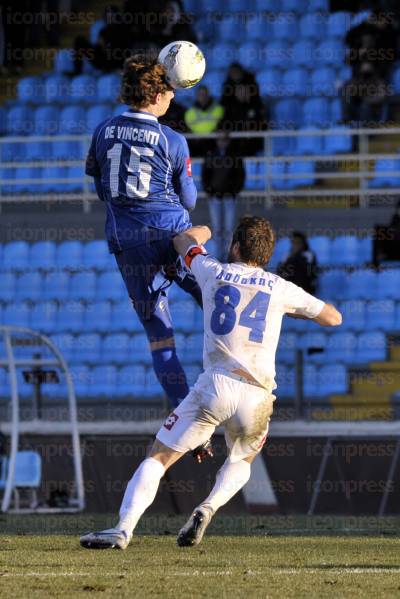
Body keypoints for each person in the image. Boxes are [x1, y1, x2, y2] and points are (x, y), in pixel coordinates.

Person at [80, 216, 342, 550]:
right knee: (241, 459)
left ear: (235, 246)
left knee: (158, 457)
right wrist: (292, 309)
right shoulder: (280, 288)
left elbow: (183, 241)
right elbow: (334, 318)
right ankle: (207, 507)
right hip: (258, 395)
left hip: (214, 386)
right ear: (267, 255)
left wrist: (204, 231)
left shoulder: (212, 271)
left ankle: (123, 528)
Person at [85, 55, 204, 412]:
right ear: (154, 95)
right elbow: (189, 199)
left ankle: (184, 418)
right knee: (214, 298)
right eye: (169, 92)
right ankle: (240, 373)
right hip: (173, 236)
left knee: (160, 339)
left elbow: (101, 188)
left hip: (129, 244)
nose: (172, 98)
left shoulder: (103, 130)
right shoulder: (172, 140)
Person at [202, 131, 245, 259]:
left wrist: (234, 191)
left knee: (228, 228)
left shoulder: (235, 155)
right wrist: (209, 191)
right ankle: (218, 256)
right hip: (215, 197)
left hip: (229, 197)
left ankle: (227, 256)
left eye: (225, 139)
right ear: (217, 141)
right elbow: (205, 175)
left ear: (228, 141)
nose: (222, 142)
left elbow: (240, 175)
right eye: (220, 139)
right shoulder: (211, 155)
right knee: (217, 229)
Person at [220, 62, 267, 155]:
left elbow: (261, 124)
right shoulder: (229, 108)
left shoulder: (256, 107)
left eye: (244, 90)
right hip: (235, 144)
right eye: (239, 91)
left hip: (252, 143)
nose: (241, 93)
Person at [184, 85, 224, 155]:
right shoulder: (190, 113)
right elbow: (188, 129)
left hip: (213, 143)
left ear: (208, 95)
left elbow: (221, 126)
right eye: (200, 95)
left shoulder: (219, 109)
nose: (202, 97)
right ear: (196, 96)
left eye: (204, 94)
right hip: (196, 143)